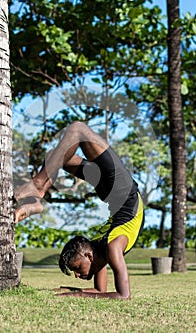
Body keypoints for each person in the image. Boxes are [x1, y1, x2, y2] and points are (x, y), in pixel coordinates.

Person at [14, 121, 144, 299]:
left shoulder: (109, 249)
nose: (76, 275)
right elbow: (104, 293)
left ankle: (38, 187)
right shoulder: (104, 250)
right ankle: (37, 197)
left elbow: (123, 296)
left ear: (88, 256)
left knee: (77, 130)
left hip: (122, 192)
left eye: (76, 268)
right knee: (56, 155)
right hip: (115, 194)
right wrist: (76, 292)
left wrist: (77, 295)